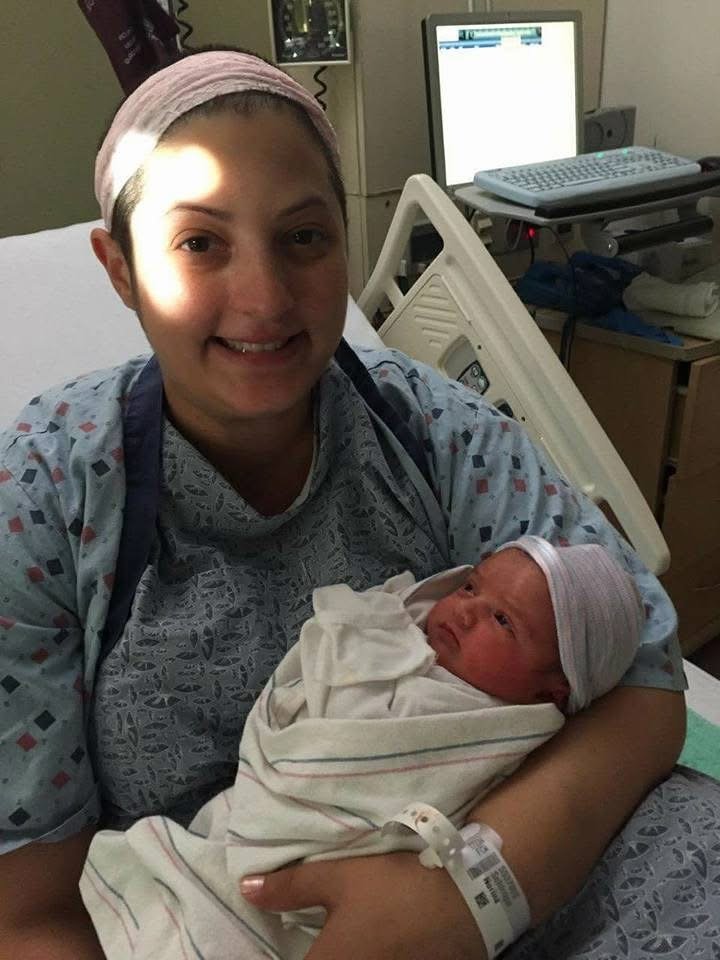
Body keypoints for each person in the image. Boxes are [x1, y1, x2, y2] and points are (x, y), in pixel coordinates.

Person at [0, 45, 713, 960]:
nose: (263, 300)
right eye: (198, 242)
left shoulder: (427, 429)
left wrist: (475, 892)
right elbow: (30, 915)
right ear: (119, 268)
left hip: (519, 862)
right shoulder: (45, 498)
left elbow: (649, 682)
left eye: (304, 237)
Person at [79, 536, 646, 960]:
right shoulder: (395, 628)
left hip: (333, 894)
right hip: (241, 823)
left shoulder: (499, 730)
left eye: (502, 620)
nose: (466, 609)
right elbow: (307, 688)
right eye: (472, 586)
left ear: (554, 688)